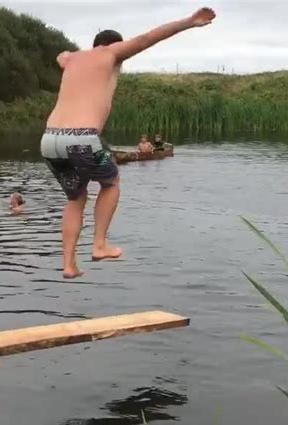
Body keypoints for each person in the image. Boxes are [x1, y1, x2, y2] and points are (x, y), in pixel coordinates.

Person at [40, 7, 216, 279]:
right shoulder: (111, 54)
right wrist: (190, 22)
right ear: (116, 47)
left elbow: (60, 55)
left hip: (50, 140)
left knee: (75, 198)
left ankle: (69, 264)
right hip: (82, 138)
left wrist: (74, 55)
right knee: (111, 183)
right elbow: (149, 37)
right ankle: (99, 245)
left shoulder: (71, 59)